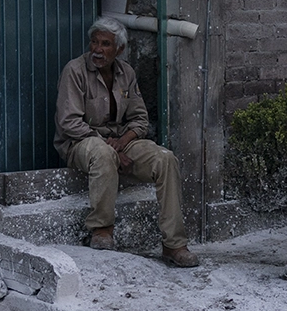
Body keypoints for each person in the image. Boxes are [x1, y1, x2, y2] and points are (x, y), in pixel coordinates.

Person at [54, 17, 199, 267]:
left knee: (164, 158)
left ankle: (174, 244)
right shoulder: (75, 71)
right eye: (94, 42)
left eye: (105, 44)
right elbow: (69, 123)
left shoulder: (126, 73)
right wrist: (109, 145)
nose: (97, 49)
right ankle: (102, 229)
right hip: (80, 142)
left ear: (119, 49)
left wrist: (124, 139)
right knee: (102, 153)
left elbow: (140, 119)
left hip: (119, 139)